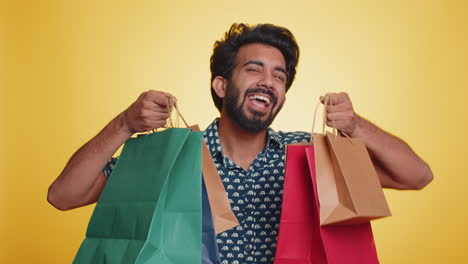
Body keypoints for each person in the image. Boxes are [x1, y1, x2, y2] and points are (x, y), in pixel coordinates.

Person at [48, 23, 433, 263]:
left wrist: (356, 126)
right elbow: (63, 196)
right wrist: (123, 124)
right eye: (254, 69)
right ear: (221, 84)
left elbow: (416, 175)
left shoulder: (309, 154)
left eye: (279, 77)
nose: (269, 81)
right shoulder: (175, 156)